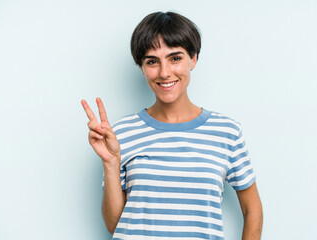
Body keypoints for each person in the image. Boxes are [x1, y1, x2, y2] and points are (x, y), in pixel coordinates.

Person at [81, 11, 263, 240]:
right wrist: (110, 163)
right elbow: (114, 224)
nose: (164, 72)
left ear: (193, 59)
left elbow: (252, 209)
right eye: (152, 61)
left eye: (175, 58)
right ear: (142, 67)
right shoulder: (121, 133)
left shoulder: (227, 132)